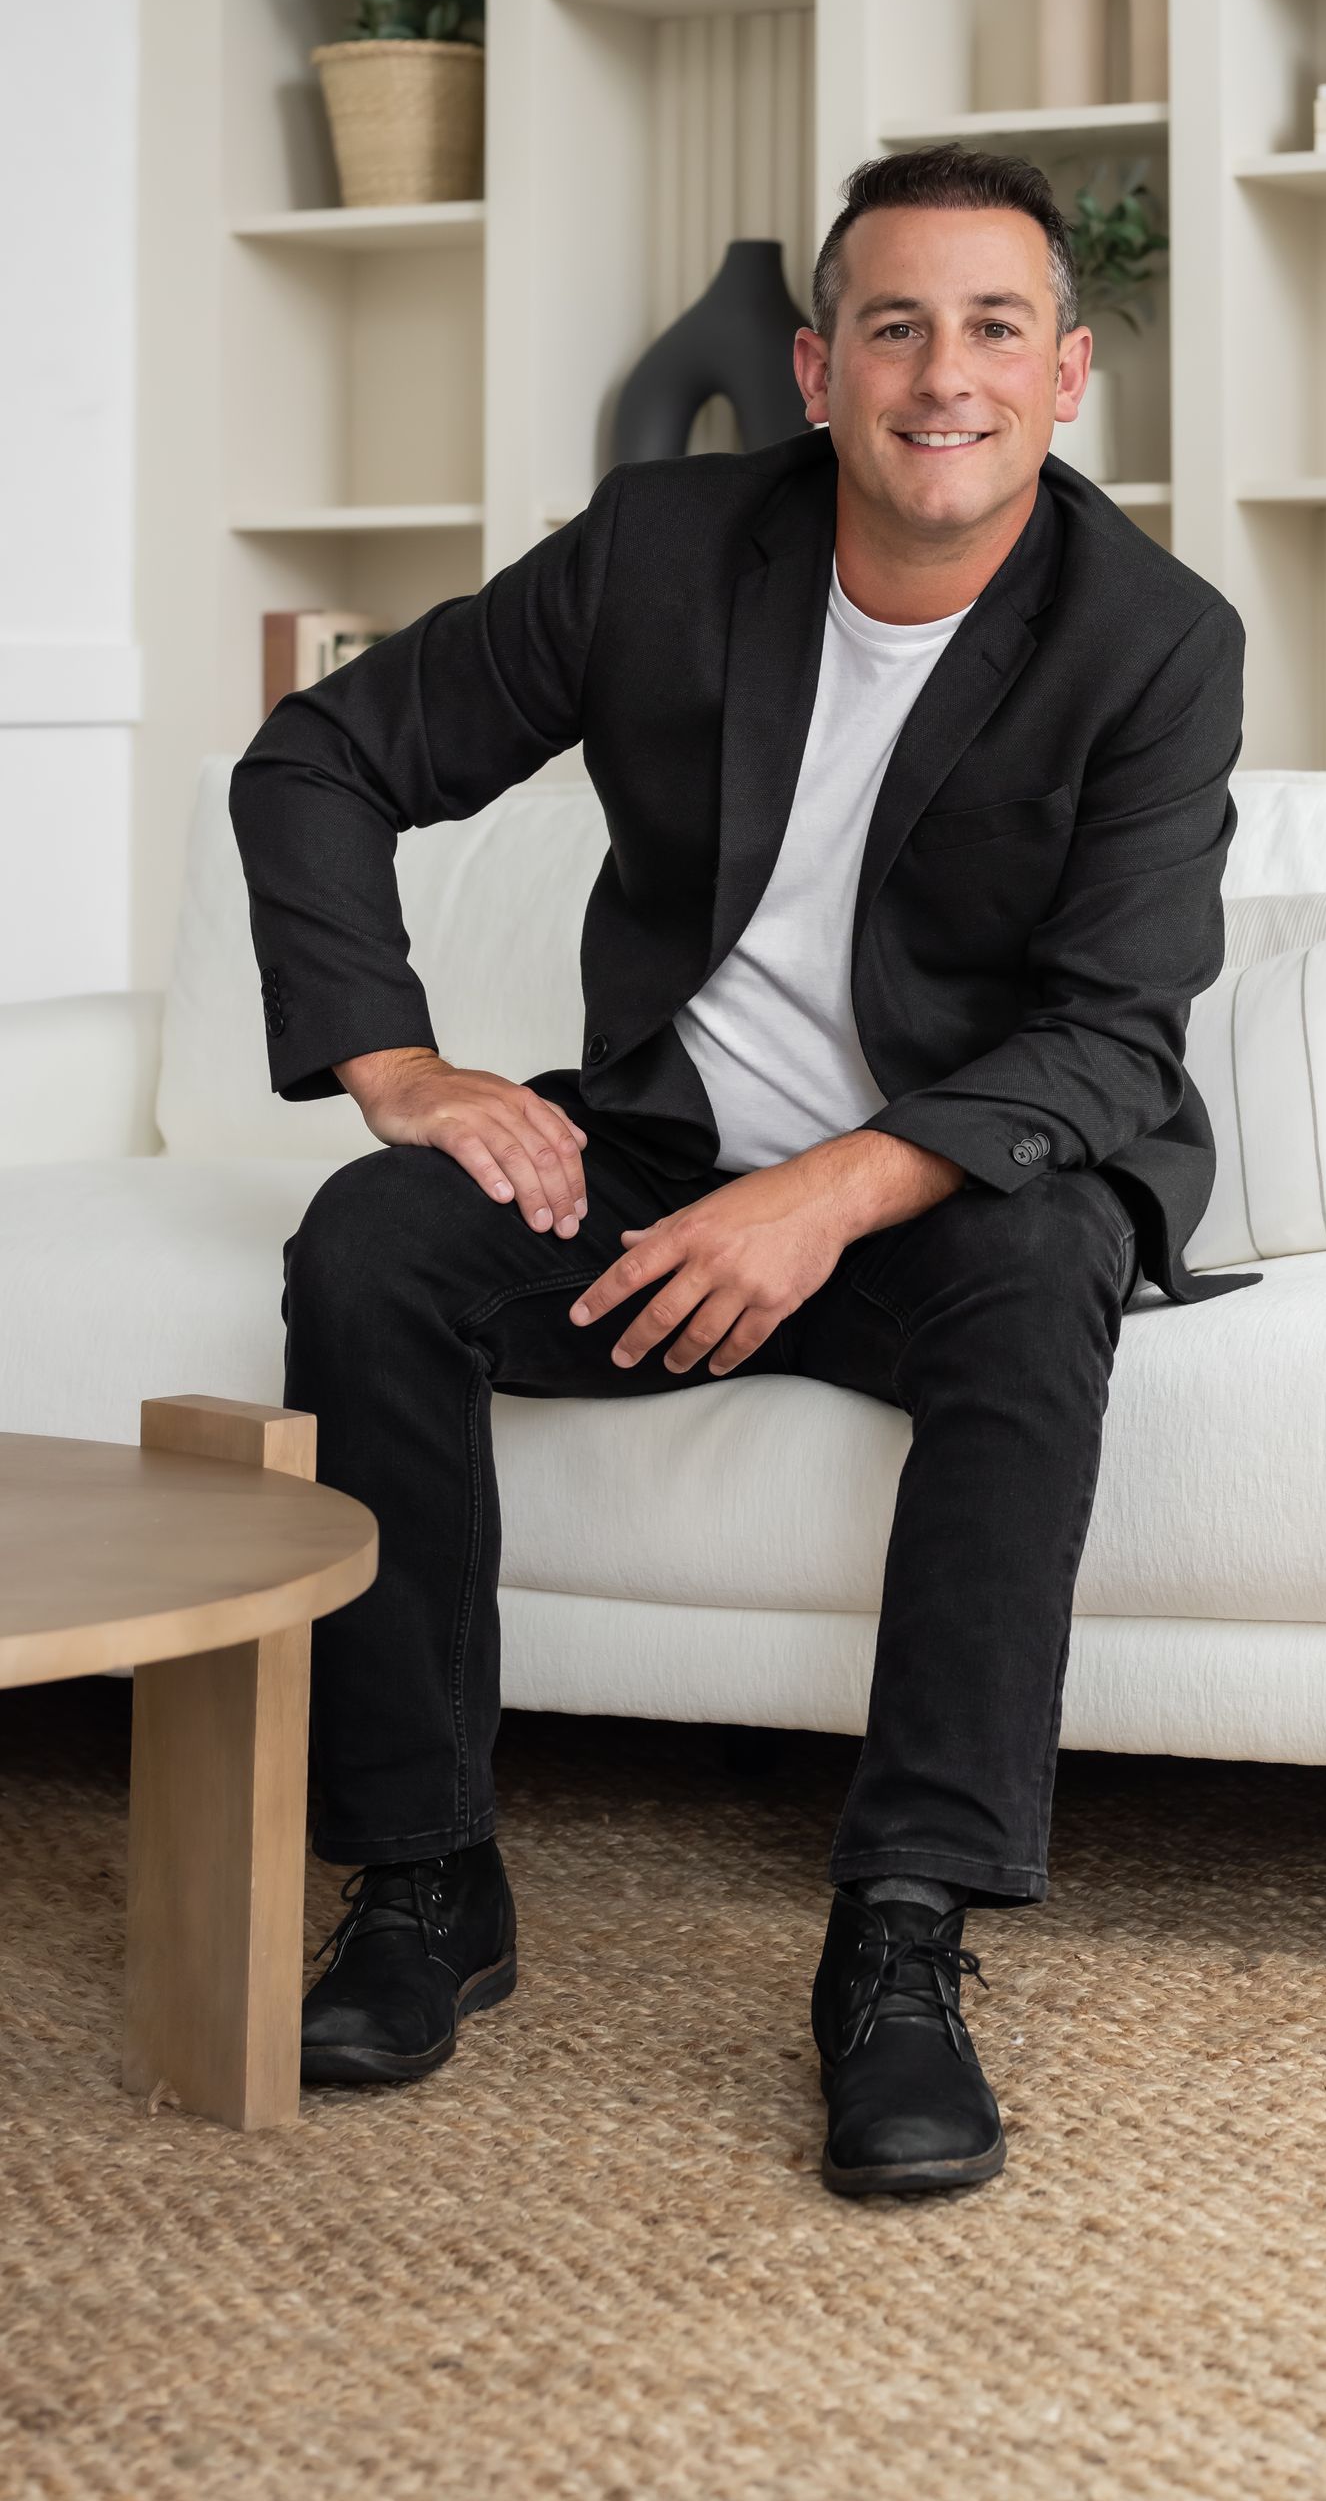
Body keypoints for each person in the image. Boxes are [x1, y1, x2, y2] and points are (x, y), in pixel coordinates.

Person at [230, 144, 1246, 2198]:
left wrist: (840, 1188)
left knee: (1050, 1257)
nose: (938, 376)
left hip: (950, 1203)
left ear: (1065, 382)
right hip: (662, 1170)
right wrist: (398, 1066)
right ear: (814, 368)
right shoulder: (665, 554)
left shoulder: (1152, 640)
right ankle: (422, 1882)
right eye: (894, 326)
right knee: (374, 1247)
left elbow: (1112, 1035)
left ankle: (902, 1939)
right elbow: (321, 757)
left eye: (992, 330)